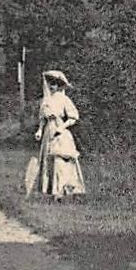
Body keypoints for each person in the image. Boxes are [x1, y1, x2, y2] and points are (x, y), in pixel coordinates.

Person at [27, 70, 87, 200]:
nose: (51, 86)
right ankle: (50, 190)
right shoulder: (45, 100)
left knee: (59, 159)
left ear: (59, 85)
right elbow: (43, 118)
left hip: (59, 131)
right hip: (48, 131)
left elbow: (73, 117)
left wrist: (62, 127)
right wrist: (40, 131)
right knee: (48, 159)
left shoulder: (63, 99)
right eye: (50, 83)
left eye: (54, 83)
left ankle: (61, 190)